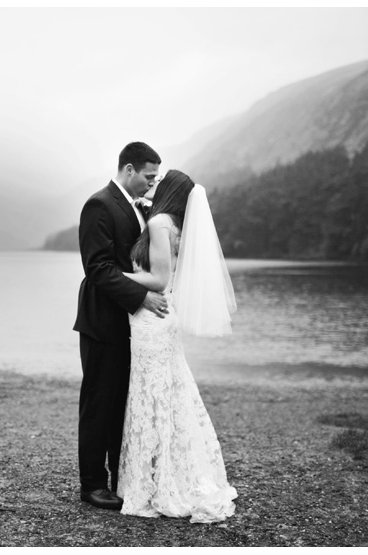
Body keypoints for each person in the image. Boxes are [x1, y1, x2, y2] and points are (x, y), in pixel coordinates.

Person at [116, 169, 238, 523]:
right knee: (166, 395)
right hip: (160, 320)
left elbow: (159, 279)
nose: (152, 186)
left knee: (153, 395)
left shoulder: (158, 225)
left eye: (158, 183)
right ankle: (167, 474)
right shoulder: (173, 225)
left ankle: (159, 483)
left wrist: (111, 274)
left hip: (152, 321)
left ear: (168, 191)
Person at [73, 142, 170, 511]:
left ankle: (122, 479)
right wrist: (141, 297)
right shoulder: (99, 205)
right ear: (128, 170)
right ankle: (92, 485)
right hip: (102, 321)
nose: (152, 183)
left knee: (122, 406)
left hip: (130, 325)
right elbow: (97, 268)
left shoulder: (138, 208)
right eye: (148, 176)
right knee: (99, 403)